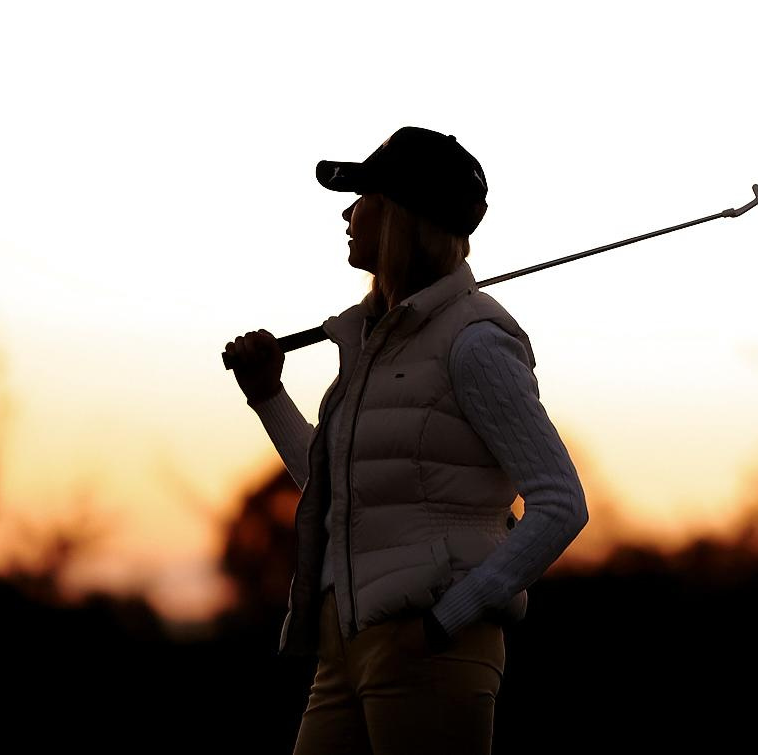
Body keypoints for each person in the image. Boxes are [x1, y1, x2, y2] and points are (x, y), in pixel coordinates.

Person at [222, 126, 590, 754]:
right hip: (346, 643)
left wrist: (452, 616)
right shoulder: (374, 343)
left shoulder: (475, 343)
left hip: (431, 650)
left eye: (362, 197)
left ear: (397, 217)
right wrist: (266, 395)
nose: (347, 212)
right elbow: (337, 488)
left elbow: (561, 503)